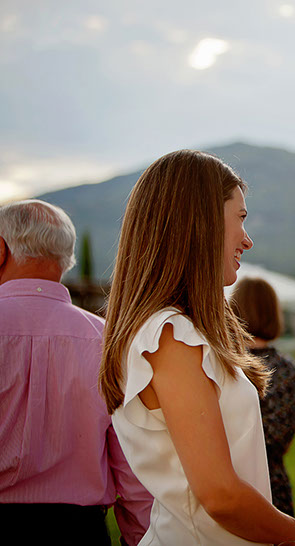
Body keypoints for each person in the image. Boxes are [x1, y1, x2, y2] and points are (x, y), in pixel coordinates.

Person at [99, 150, 295, 545]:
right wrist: (293, 534)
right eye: (240, 218)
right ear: (200, 222)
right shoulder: (170, 337)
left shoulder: (179, 331)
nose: (247, 239)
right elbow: (220, 495)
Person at [0, 199, 152, 545]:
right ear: (66, 258)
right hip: (78, 531)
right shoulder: (108, 341)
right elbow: (132, 462)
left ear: (1, 250)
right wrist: (140, 536)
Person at [230, 277, 295, 518]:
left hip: (230, 480)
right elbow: (286, 437)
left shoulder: (225, 365)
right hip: (274, 482)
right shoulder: (290, 369)